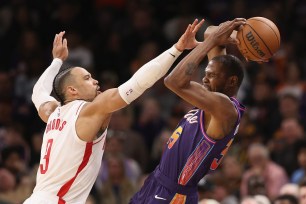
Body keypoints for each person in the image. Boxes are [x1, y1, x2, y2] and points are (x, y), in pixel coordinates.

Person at [24, 19, 204, 204]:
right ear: (72, 90)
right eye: (87, 78)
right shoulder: (90, 110)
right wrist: (177, 48)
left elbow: (38, 92)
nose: (95, 81)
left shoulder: (52, 113)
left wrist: (56, 61)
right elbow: (138, 83)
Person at [130, 18, 247, 204]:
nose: (204, 80)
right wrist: (240, 34)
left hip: (174, 194)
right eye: (205, 74)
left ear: (232, 81)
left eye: (211, 75)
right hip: (157, 181)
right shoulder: (213, 98)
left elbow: (173, 81)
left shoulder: (225, 108)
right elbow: (211, 32)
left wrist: (209, 42)